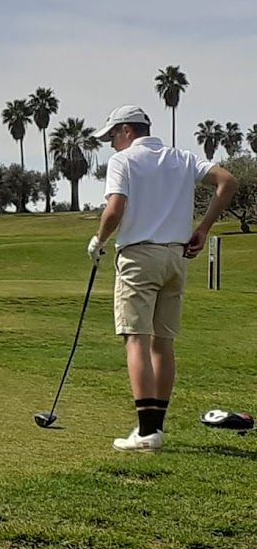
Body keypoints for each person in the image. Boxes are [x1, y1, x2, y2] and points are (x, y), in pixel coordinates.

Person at [88, 105, 236, 452]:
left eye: (112, 136)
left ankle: (145, 431)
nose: (111, 144)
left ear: (127, 130)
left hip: (139, 256)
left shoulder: (123, 162)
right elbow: (228, 181)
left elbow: (115, 208)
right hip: (175, 257)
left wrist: (99, 240)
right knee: (163, 342)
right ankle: (154, 428)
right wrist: (203, 229)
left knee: (136, 339)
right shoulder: (182, 158)